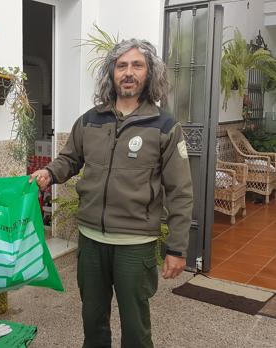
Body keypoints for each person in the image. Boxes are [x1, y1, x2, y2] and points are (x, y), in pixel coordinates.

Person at [31, 39, 193, 347]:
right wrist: (49, 173)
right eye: (121, 66)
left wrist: (177, 248)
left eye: (137, 65)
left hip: (136, 245)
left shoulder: (165, 126)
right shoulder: (91, 120)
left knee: (135, 328)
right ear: (111, 73)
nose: (128, 72)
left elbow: (181, 191)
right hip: (92, 241)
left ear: (150, 73)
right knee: (93, 322)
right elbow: (70, 158)